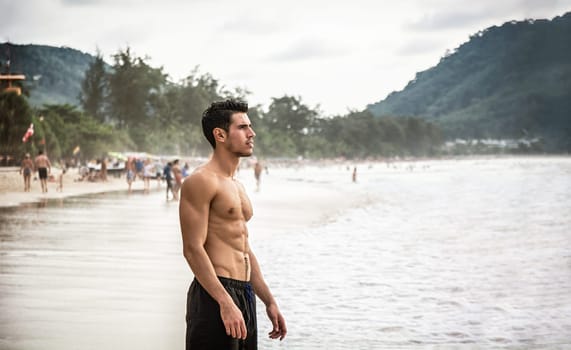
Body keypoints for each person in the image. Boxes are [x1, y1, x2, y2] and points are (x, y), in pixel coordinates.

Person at [179, 99, 287, 349]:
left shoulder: (237, 185)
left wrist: (268, 300)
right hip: (214, 294)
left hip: (244, 293)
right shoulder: (201, 181)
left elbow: (243, 247)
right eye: (243, 127)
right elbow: (193, 249)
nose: (252, 133)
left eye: (250, 126)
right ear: (220, 134)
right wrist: (225, 302)